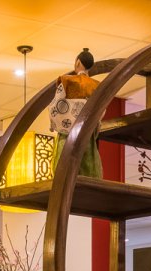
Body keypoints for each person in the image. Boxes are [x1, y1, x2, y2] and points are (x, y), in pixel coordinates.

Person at [49, 48, 102, 178]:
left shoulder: (66, 81)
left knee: (64, 172)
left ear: (78, 62)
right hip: (87, 135)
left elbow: (56, 106)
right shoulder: (97, 86)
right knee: (88, 171)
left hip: (67, 135)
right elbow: (101, 110)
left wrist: (53, 123)